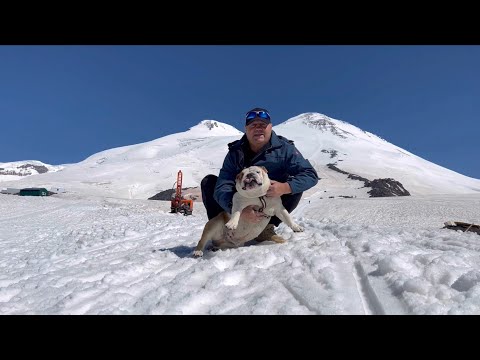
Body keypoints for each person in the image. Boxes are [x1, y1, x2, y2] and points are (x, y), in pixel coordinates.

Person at [201, 107, 319, 243]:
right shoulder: (235, 152)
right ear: (246, 128)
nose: (258, 128)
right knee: (209, 182)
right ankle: (222, 232)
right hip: (241, 200)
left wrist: (285, 187)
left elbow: (310, 175)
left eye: (262, 125)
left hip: (271, 199)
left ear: (270, 127)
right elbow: (223, 184)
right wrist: (237, 210)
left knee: (294, 185)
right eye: (253, 125)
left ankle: (266, 228)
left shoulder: (285, 148)